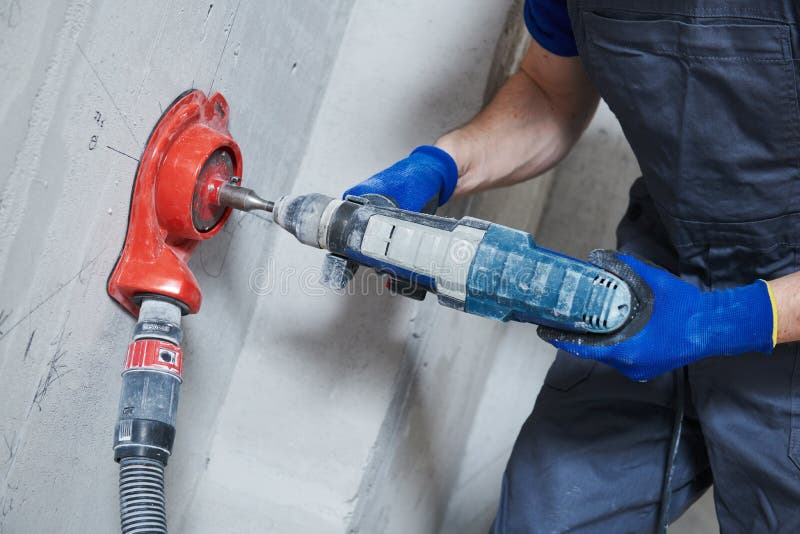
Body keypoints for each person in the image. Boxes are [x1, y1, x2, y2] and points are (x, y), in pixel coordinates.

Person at [345, 0, 800, 532]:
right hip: (659, 275)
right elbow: (548, 92)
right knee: (547, 515)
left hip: (784, 310)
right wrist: (443, 165)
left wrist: (719, 321)